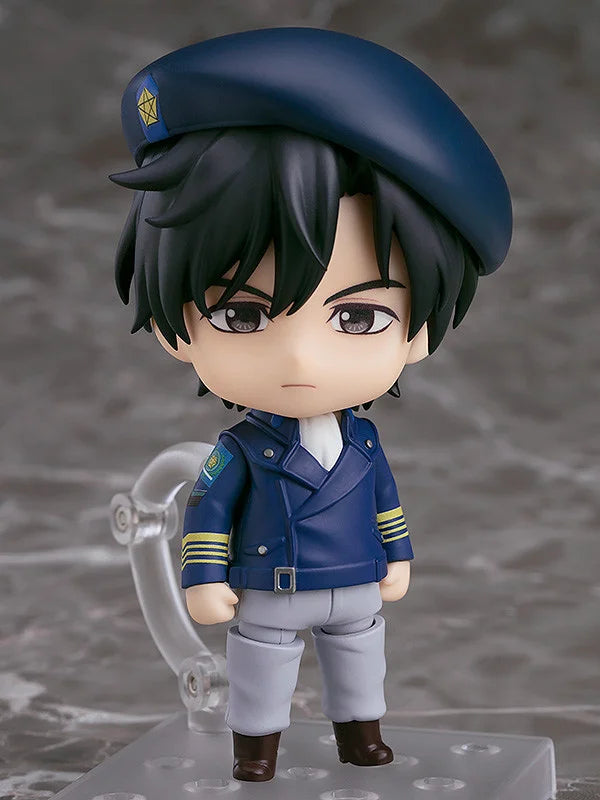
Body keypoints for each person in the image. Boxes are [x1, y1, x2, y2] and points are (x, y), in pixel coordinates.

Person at [111, 27, 512, 782]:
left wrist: (399, 556)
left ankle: (362, 736)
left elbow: (385, 501)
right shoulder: (240, 449)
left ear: (418, 333)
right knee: (262, 668)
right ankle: (256, 748)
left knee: (361, 659)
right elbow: (207, 511)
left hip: (355, 580)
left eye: (358, 317)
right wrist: (204, 578)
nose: (300, 358)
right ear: (176, 331)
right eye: (242, 315)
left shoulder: (363, 443)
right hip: (274, 587)